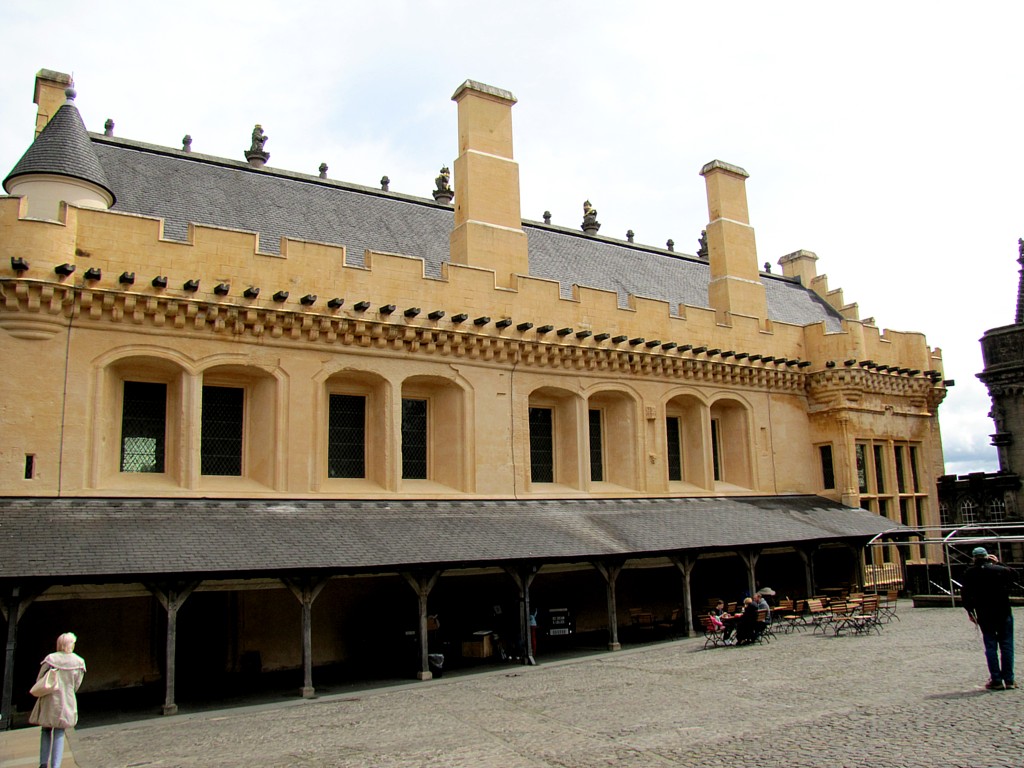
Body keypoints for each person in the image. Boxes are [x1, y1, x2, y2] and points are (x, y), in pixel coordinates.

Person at [961, 547, 1015, 690]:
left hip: (984, 614)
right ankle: (1009, 679)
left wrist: (970, 612)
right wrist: (1000, 564)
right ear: (987, 557)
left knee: (990, 647)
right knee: (1007, 645)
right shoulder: (1000, 570)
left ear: (974, 558)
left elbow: (965, 595)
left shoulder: (970, 573)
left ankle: (996, 680)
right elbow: (1015, 577)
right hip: (1003, 612)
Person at [29, 632, 86, 768]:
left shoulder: (50, 659)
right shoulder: (78, 662)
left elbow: (40, 680)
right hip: (66, 699)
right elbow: (77, 684)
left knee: (46, 730)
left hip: (50, 698)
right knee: (60, 731)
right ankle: (56, 765)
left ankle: (43, 763)